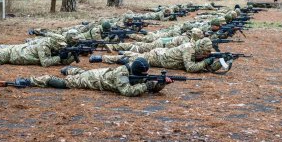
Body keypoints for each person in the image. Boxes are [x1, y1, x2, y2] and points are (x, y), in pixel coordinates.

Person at [16, 58, 173, 97]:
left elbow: (151, 86)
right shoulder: (122, 74)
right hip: (93, 80)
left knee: (79, 72)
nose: (144, 77)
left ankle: (70, 69)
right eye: (143, 75)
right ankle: (30, 80)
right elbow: (126, 91)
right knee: (63, 84)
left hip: (102, 73)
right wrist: (147, 86)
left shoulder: (136, 72)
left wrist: (161, 83)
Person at [90, 38, 226, 73]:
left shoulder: (197, 50)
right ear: (201, 48)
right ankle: (101, 57)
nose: (207, 54)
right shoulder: (188, 49)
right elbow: (190, 68)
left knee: (135, 55)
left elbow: (205, 67)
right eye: (206, 52)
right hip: (158, 57)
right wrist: (206, 62)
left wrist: (221, 61)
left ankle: (125, 52)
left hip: (162, 55)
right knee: (132, 59)